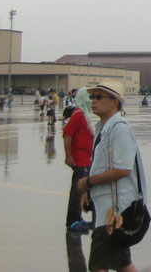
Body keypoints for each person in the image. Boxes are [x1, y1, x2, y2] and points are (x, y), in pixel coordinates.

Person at [77, 79, 147, 272]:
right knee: (122, 263)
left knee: (98, 265)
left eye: (99, 97)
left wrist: (88, 182)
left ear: (114, 101)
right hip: (105, 207)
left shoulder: (120, 129)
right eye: (92, 97)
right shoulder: (103, 128)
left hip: (114, 211)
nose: (94, 101)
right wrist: (88, 192)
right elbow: (99, 165)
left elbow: (122, 169)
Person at [64, 87, 95, 232]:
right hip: (79, 159)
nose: (93, 101)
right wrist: (69, 156)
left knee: (81, 190)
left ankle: (77, 217)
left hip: (86, 159)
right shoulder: (78, 114)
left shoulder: (85, 115)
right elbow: (67, 134)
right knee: (76, 191)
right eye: (90, 98)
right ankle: (72, 221)